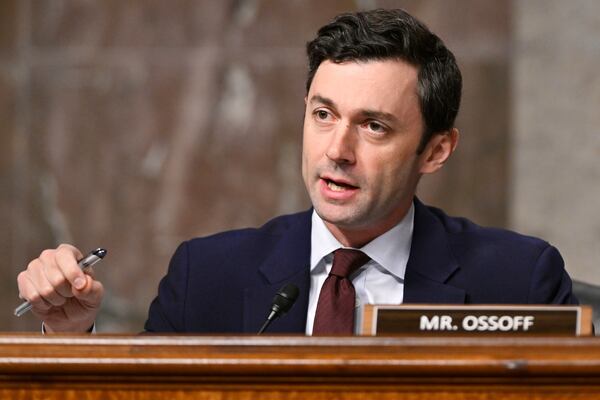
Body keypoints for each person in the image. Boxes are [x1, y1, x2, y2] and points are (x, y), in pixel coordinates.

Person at [16, 9, 577, 334]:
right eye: (323, 115)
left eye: (374, 126)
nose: (337, 149)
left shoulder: (518, 280)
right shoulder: (205, 276)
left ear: (435, 151)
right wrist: (73, 336)